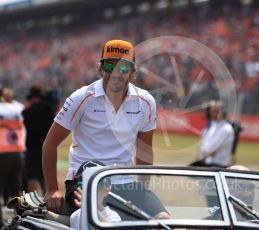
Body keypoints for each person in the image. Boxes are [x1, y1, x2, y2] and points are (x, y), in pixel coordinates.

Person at [42, 39, 169, 219]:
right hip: (85, 181)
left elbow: (144, 151)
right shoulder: (82, 98)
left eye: (124, 68)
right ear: (100, 69)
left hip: (126, 182)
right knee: (98, 221)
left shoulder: (146, 101)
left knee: (164, 221)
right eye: (110, 67)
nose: (116, 74)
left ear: (133, 73)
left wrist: (142, 188)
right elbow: (50, 143)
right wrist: (52, 190)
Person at [0, 86, 25, 227]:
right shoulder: (19, 108)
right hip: (17, 151)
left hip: (3, 152)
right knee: (15, 187)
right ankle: (19, 217)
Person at [22, 86, 55, 193]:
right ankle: (48, 200)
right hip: (47, 146)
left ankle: (33, 202)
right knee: (45, 175)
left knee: (32, 176)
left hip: (31, 148)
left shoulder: (27, 112)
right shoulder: (49, 109)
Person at [192, 100, 235, 167]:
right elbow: (203, 146)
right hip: (208, 163)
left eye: (216, 112)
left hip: (219, 166)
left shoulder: (226, 129)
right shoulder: (213, 126)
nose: (213, 114)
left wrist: (204, 150)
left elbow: (209, 149)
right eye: (212, 111)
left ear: (223, 113)